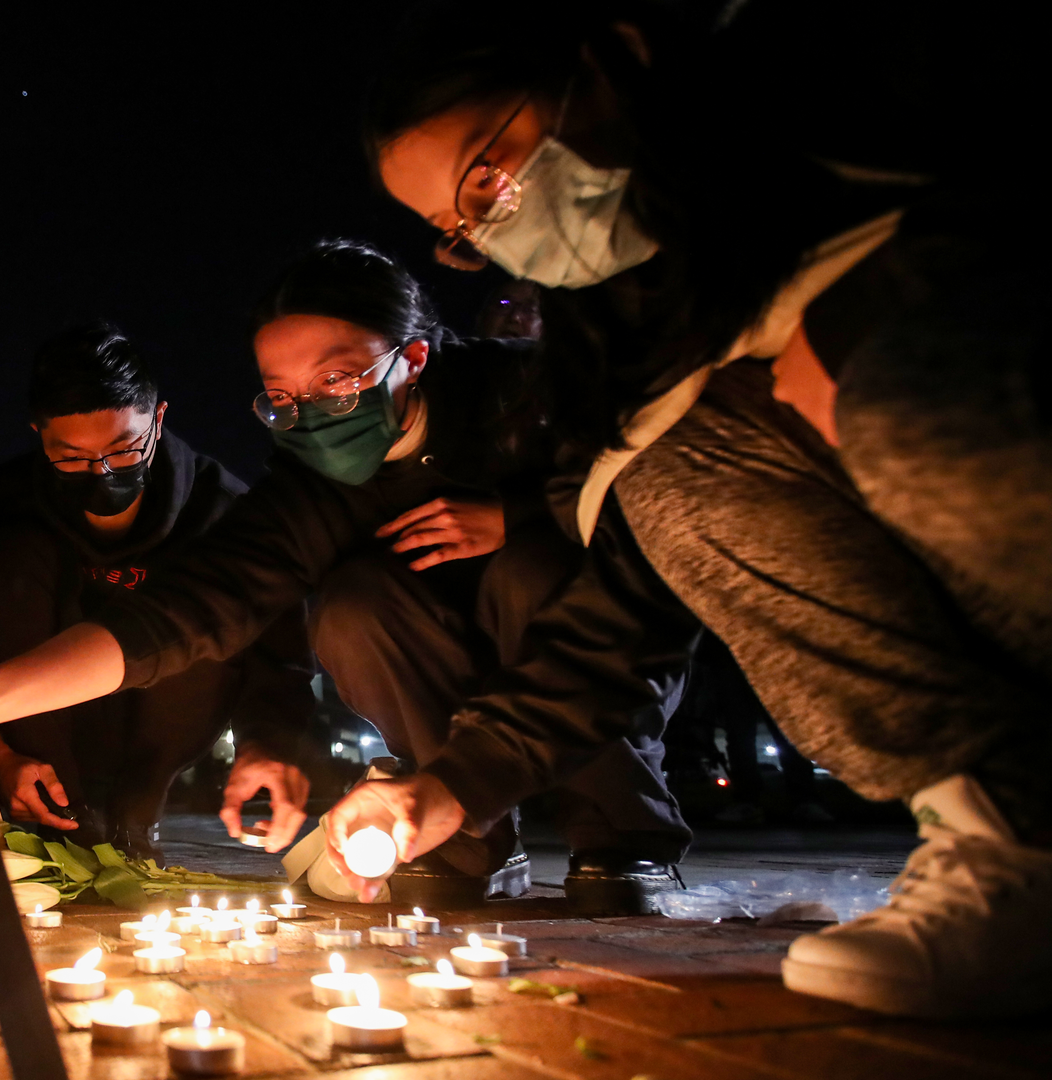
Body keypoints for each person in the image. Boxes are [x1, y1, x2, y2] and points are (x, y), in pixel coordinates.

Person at [357, 0, 1050, 1016]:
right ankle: (1016, 838)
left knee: (894, 398)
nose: (498, 228)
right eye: (462, 229)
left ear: (604, 64)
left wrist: (860, 330)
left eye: (489, 178)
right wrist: (449, 786)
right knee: (666, 479)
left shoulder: (879, 104)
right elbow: (619, 616)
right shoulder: (648, 355)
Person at [0, 242, 698, 913]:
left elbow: (654, 536)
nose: (312, 411)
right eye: (283, 395)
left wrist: (523, 516)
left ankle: (622, 830)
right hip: (435, 659)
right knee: (350, 606)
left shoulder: (529, 392)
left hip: (570, 636)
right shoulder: (311, 481)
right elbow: (187, 614)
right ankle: (467, 838)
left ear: (412, 358)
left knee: (526, 573)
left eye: (339, 379)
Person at [0, 323, 316, 859]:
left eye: (124, 450)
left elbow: (280, 655)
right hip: (40, 727)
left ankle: (139, 807)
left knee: (205, 596)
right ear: (38, 434)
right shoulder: (2, 505)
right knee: (12, 558)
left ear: (159, 418)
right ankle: (61, 815)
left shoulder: (222, 511)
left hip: (163, 723)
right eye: (74, 457)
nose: (101, 473)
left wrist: (268, 745)